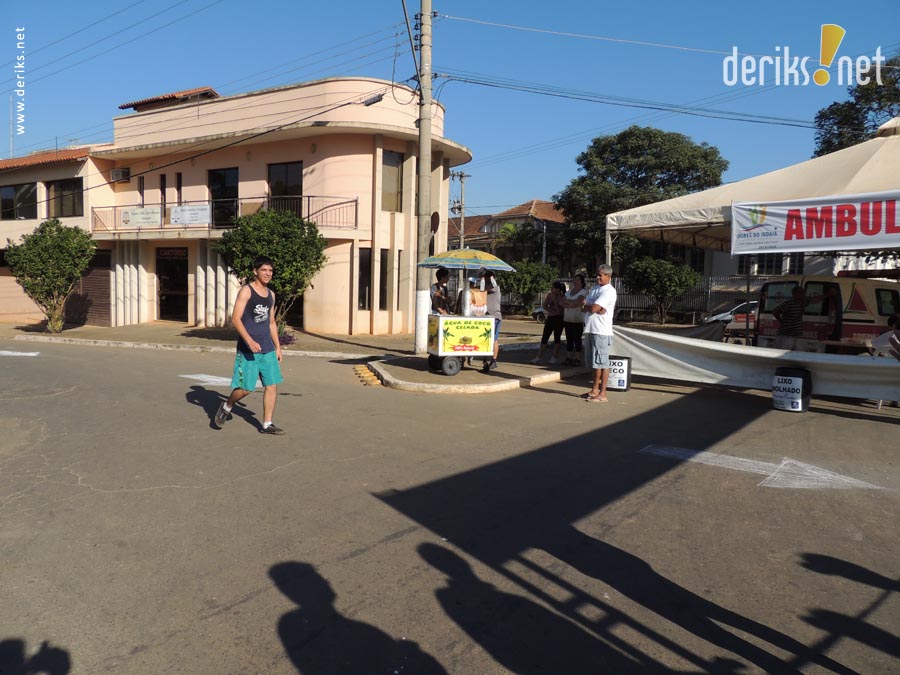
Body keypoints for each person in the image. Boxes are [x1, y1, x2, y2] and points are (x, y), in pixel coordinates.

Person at [214, 255, 285, 434]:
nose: (268, 273)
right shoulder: (247, 291)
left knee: (272, 384)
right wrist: (249, 340)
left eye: (270, 270)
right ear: (255, 271)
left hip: (267, 348)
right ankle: (227, 405)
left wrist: (278, 347)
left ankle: (267, 424)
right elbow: (236, 319)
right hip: (248, 349)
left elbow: (271, 322)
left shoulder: (271, 295)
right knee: (246, 388)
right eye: (264, 270)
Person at [582, 264, 616, 402]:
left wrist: (591, 307)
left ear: (608, 276)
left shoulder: (609, 291)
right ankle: (594, 390)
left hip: (601, 332)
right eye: (597, 275)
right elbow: (583, 306)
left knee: (602, 363)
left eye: (600, 275)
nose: (597, 277)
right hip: (590, 329)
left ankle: (603, 394)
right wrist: (590, 307)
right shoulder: (595, 289)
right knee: (594, 363)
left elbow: (594, 308)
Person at [531, 282, 566, 365]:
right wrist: (550, 310)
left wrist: (555, 301)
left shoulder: (563, 297)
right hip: (550, 318)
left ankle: (554, 357)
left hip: (559, 319)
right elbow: (545, 306)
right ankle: (539, 357)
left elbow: (559, 311)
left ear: (558, 289)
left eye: (553, 288)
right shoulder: (550, 295)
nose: (551, 289)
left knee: (557, 337)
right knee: (545, 337)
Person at [562, 274, 588, 366]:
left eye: (577, 280)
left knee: (577, 339)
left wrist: (568, 302)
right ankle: (568, 357)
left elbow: (577, 303)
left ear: (581, 282)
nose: (575, 282)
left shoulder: (583, 292)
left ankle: (577, 358)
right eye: (574, 280)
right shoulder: (569, 292)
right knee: (569, 339)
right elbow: (561, 302)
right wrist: (571, 303)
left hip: (578, 320)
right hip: (568, 319)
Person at [772, 286, 807, 350]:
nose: (803, 294)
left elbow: (814, 299)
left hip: (796, 335)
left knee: (797, 353)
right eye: (801, 293)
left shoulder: (802, 303)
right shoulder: (788, 304)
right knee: (785, 353)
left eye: (803, 293)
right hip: (786, 335)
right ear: (795, 294)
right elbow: (775, 311)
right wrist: (782, 321)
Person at [481, 269, 502, 371]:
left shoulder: (495, 288)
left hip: (495, 317)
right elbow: (481, 290)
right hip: (487, 317)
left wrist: (489, 278)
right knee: (485, 339)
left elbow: (492, 284)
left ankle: (493, 360)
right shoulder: (486, 291)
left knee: (493, 339)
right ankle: (485, 362)